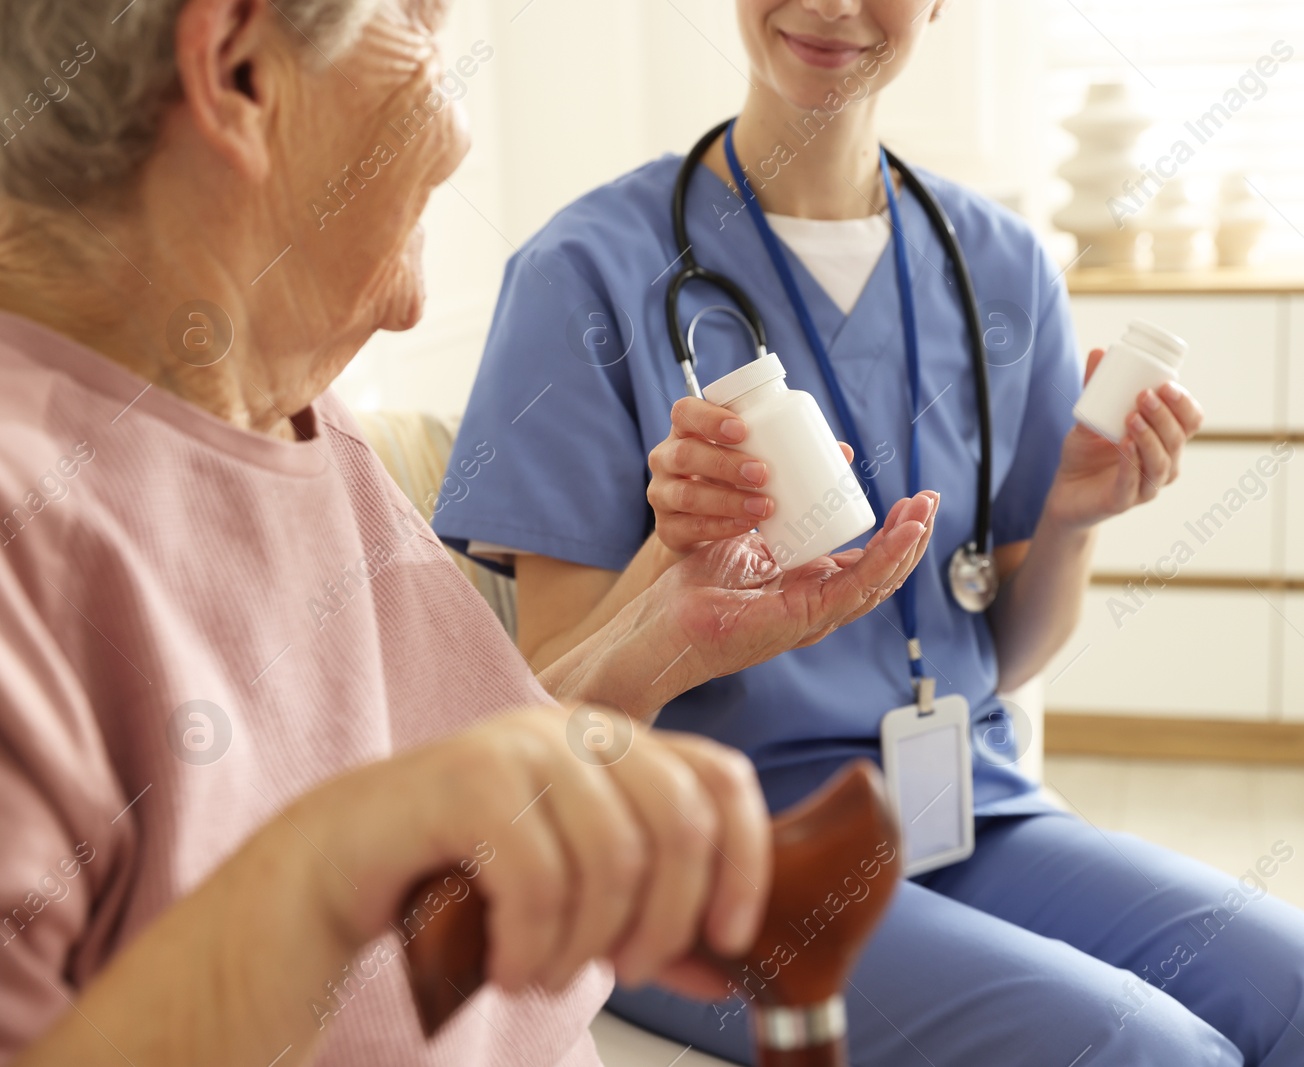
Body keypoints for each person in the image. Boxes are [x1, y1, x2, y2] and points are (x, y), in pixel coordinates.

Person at [434, 1, 1304, 1064]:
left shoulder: (1001, 264)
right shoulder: (582, 269)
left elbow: (1005, 654)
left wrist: (1070, 519)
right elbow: (546, 698)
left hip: (965, 812)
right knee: (1150, 1053)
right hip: (700, 849)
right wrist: (680, 547)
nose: (832, 6)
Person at [0, 0, 940, 1063]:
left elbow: (439, 838)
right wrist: (323, 873)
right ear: (239, 72)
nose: (455, 113)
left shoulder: (295, 413)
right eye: (414, 15)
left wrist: (660, 638)